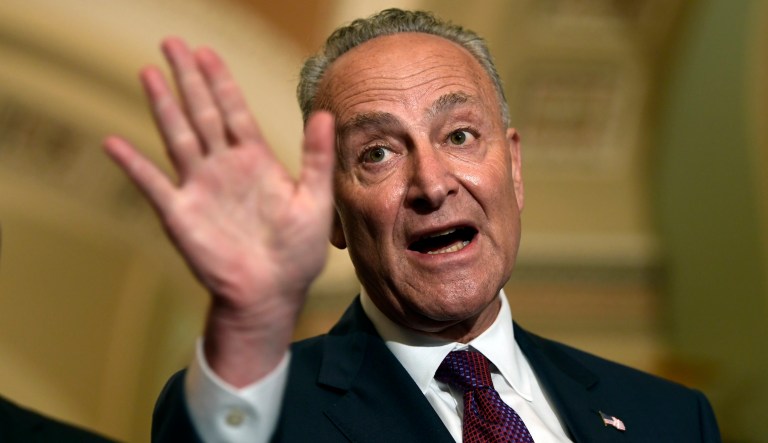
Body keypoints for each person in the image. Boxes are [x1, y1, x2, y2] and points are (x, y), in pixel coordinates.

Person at [104, 9, 721, 443]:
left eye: (458, 135)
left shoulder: (669, 417)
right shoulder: (267, 416)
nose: (432, 183)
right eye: (377, 153)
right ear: (332, 211)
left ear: (515, 168)